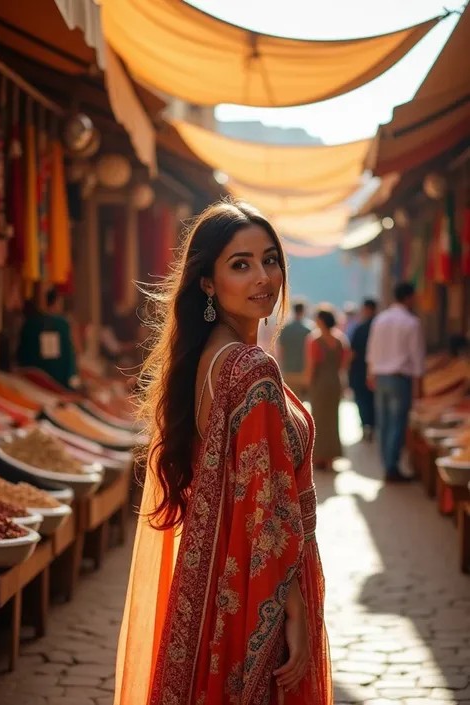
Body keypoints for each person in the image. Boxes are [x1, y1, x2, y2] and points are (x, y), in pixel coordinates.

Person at [114, 202, 332, 705]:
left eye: (271, 259)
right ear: (207, 283)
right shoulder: (250, 367)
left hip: (216, 586)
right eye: (241, 264)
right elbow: (266, 510)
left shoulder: (208, 357)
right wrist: (292, 611)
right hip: (260, 593)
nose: (264, 277)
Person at [366, 282, 425, 483]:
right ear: (409, 297)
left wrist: (371, 374)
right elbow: (417, 358)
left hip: (381, 377)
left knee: (384, 422)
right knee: (397, 423)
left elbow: (371, 351)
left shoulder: (380, 320)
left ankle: (387, 464)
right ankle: (392, 466)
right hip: (400, 379)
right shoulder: (411, 322)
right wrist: (419, 387)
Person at [305, 306, 349, 470]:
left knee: (318, 419)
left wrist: (307, 383)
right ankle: (331, 456)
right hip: (335, 382)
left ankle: (318, 457)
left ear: (321, 321)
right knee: (333, 419)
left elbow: (311, 366)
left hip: (320, 383)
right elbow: (344, 364)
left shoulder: (315, 341)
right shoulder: (340, 340)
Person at [16, 288, 79, 389]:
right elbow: (69, 355)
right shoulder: (63, 325)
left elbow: (22, 354)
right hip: (59, 383)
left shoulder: (30, 323)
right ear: (57, 302)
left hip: (31, 381)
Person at [349, 298, 377, 442]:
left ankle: (366, 425)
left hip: (360, 371)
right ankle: (372, 425)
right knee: (372, 400)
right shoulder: (378, 327)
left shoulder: (360, 329)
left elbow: (352, 353)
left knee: (361, 400)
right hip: (376, 372)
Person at [278, 301, 312, 400]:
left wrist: (282, 366)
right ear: (303, 311)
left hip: (289, 369)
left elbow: (281, 349)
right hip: (304, 370)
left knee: (291, 402)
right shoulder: (309, 330)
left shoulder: (285, 329)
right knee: (303, 402)